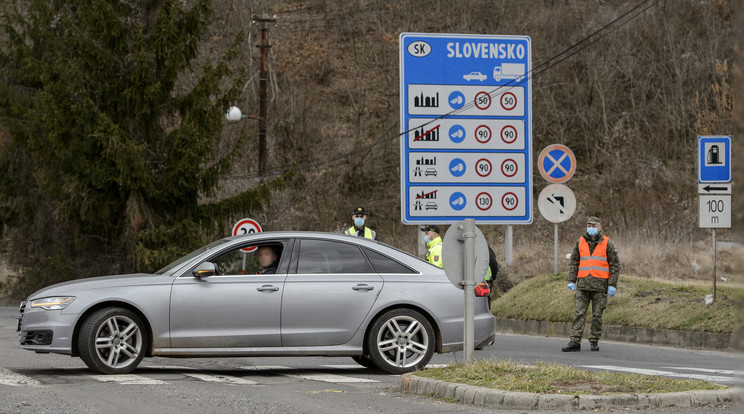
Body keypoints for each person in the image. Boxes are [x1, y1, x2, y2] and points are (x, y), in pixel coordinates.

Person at [562, 216, 620, 352]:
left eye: (594, 226)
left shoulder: (608, 243)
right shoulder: (580, 241)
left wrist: (612, 284)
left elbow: (614, 265)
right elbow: (574, 262)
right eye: (589, 225)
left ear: (600, 227)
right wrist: (571, 280)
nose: (591, 228)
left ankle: (594, 340)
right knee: (579, 314)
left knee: (597, 315)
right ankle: (575, 341)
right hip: (582, 285)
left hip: (600, 286)